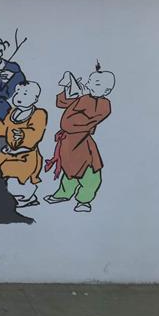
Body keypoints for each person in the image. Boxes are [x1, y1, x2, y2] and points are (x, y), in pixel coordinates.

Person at [44, 64, 115, 213]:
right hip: (68, 142)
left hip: (83, 143)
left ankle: (84, 200)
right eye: (90, 81)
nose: (90, 85)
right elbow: (61, 103)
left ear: (107, 91)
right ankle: (63, 194)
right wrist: (69, 87)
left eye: (97, 84)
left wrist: (80, 98)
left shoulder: (104, 104)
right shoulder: (83, 97)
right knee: (69, 170)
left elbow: (83, 121)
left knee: (91, 175)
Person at [0, 81, 47, 208]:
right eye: (17, 92)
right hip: (9, 152)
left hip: (26, 155)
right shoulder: (13, 112)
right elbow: (4, 128)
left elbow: (36, 133)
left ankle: (26, 197)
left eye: (25, 94)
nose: (19, 96)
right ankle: (0, 194)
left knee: (14, 172)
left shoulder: (39, 114)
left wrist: (23, 134)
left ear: (35, 99)